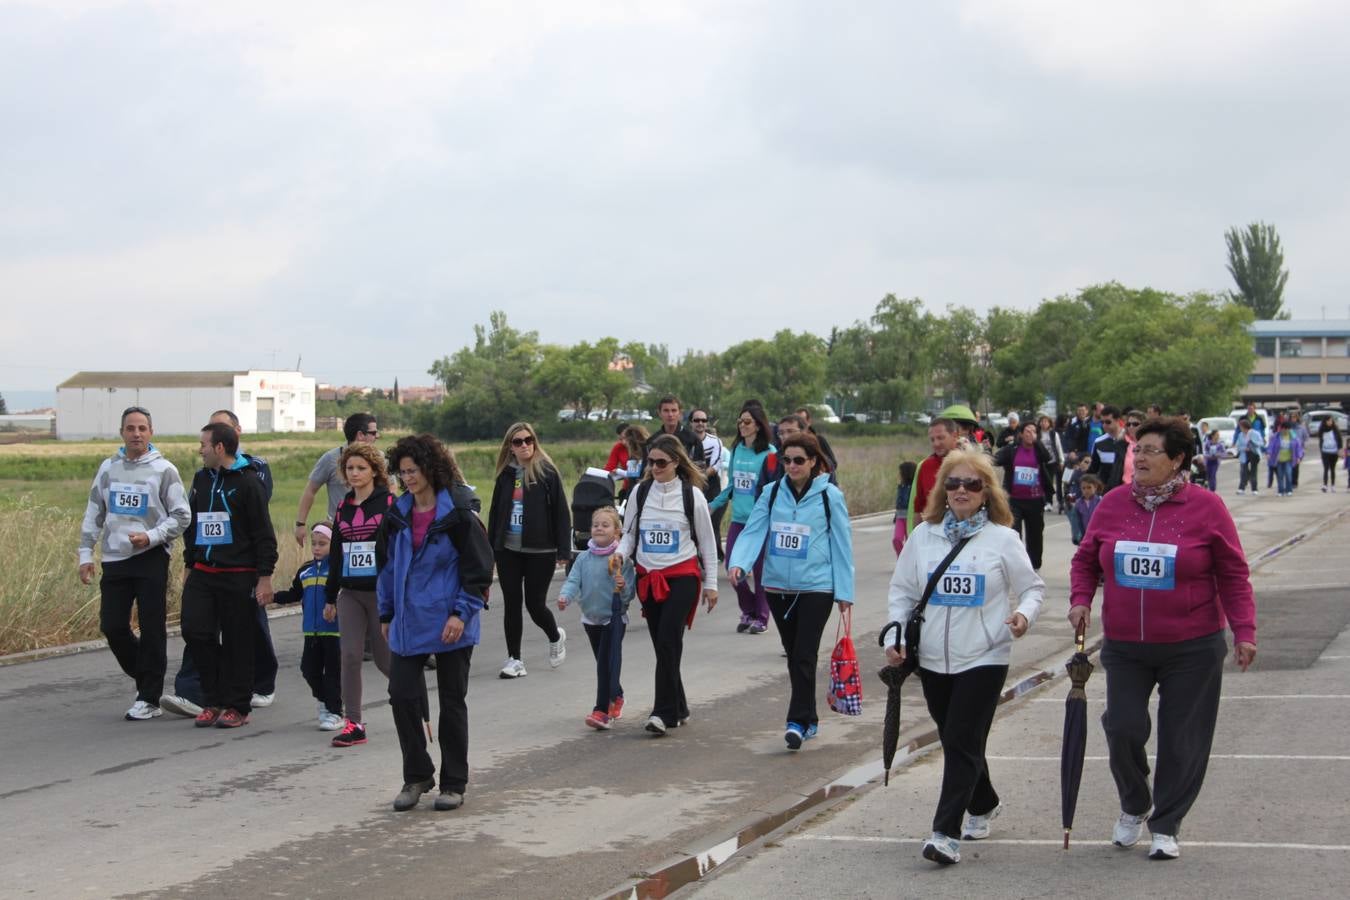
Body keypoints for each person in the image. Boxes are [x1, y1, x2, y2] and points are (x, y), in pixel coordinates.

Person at [1069, 417, 1257, 861]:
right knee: (1123, 727)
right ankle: (1135, 803)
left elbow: (1233, 574)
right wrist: (1081, 600)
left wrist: (1244, 631)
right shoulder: (1114, 503)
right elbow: (1085, 561)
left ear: (1177, 460)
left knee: (1182, 737)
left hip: (1192, 645)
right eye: (1139, 450)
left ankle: (1167, 823)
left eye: (1152, 450)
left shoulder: (1207, 507)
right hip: (1127, 645)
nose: (1141, 457)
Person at [885, 449, 1044, 866]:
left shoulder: (1003, 539)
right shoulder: (924, 536)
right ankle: (984, 800)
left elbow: (1033, 588)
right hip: (934, 658)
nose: (961, 491)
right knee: (962, 739)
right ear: (942, 490)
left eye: (971, 484)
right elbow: (902, 592)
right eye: (952, 483)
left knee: (959, 739)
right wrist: (896, 633)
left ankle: (944, 834)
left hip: (986, 655)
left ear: (986, 492)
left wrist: (1023, 616)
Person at [379, 434, 494, 812]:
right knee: (401, 695)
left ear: (431, 469)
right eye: (402, 472)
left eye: (413, 471)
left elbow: (478, 570)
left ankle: (454, 783)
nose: (407, 478)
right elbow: (388, 567)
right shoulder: (397, 514)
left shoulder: (459, 512)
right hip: (409, 619)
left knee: (451, 701)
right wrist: (386, 612)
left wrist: (461, 613)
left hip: (451, 621)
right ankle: (417, 775)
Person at [730, 432, 853, 750]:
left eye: (799, 460)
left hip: (817, 587)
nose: (792, 465)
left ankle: (796, 721)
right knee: (794, 655)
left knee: (803, 654)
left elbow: (842, 546)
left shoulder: (830, 497)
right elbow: (753, 531)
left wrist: (844, 592)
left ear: (814, 462)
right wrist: (740, 564)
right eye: (786, 460)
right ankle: (809, 717)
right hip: (777, 587)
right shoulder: (771, 494)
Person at [78, 406, 192, 720]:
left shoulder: (164, 469)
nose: (136, 434)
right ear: (122, 433)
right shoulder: (108, 468)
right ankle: (146, 678)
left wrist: (152, 536)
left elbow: (182, 516)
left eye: (142, 428)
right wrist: (85, 554)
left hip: (151, 557)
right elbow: (94, 512)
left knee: (152, 626)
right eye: (131, 428)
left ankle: (149, 698)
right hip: (115, 558)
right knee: (112, 626)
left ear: (151, 433)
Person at [618, 434, 719, 736]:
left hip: (683, 578)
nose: (655, 467)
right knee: (665, 647)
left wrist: (711, 584)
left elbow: (708, 544)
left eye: (661, 462)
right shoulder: (640, 492)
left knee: (666, 641)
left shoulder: (693, 496)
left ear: (676, 462)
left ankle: (662, 713)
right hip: (649, 579)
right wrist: (619, 554)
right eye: (651, 461)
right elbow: (629, 535)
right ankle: (680, 704)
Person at [180, 422, 278, 728]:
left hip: (239, 574)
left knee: (239, 640)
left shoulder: (249, 482)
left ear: (219, 447)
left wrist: (264, 576)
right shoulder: (201, 479)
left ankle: (237, 705)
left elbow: (263, 532)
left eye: (204, 444)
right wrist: (189, 563)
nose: (200, 450)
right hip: (203, 571)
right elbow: (193, 525)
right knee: (196, 631)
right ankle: (213, 697)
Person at [324, 442, 396, 747]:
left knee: (384, 660)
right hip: (350, 593)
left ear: (374, 471)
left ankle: (412, 697)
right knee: (350, 655)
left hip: (380, 593)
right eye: (350, 468)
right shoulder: (343, 507)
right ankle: (353, 723)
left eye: (361, 468)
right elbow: (337, 555)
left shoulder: (389, 503)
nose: (354, 474)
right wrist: (330, 596)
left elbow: (397, 551)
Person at [488, 422, 570, 678]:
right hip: (508, 549)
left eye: (528, 440)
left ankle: (555, 635)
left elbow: (560, 512)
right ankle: (515, 659)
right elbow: (495, 514)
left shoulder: (547, 472)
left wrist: (563, 550)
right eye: (518, 442)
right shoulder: (505, 474)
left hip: (540, 549)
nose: (524, 445)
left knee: (535, 605)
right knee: (511, 603)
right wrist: (491, 550)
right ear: (510, 447)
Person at [558, 506, 636, 730]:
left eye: (605, 525)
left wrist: (622, 587)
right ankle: (616, 694)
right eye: (595, 525)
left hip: (613, 619)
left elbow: (629, 594)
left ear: (617, 533)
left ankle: (601, 711)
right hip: (590, 619)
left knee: (604, 664)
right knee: (604, 663)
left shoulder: (622, 561)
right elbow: (574, 581)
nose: (599, 529)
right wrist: (566, 596)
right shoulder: (583, 558)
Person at [709, 403, 778, 634]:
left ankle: (762, 617)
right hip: (739, 520)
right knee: (732, 568)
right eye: (740, 421)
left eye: (747, 422)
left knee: (759, 573)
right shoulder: (738, 449)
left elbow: (774, 489)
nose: (742, 426)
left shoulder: (770, 454)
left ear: (758, 425)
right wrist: (713, 505)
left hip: (760, 523)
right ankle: (748, 610)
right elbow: (733, 487)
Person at [272, 523, 342, 730]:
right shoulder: (305, 571)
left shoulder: (339, 570)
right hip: (311, 632)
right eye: (314, 544)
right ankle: (325, 702)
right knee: (308, 670)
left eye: (323, 544)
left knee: (333, 674)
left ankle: (336, 712)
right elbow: (294, 594)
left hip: (334, 631)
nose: (317, 548)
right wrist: (272, 597)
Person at [293, 413, 379, 546]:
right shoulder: (331, 459)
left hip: (373, 530)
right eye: (373, 433)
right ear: (360, 435)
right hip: (338, 531)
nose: (377, 436)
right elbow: (310, 490)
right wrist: (300, 524)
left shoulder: (379, 459)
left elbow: (390, 488)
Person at [994, 421, 1055, 570]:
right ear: (1020, 434)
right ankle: (1015, 563)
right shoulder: (1012, 449)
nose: (1030, 434)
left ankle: (1034, 565)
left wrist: (1037, 442)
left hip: (1035, 499)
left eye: (1034, 431)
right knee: (1013, 533)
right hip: (1015, 499)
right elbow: (996, 459)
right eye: (1027, 431)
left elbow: (1047, 458)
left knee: (1035, 535)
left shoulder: (1038, 450)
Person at [908, 419, 959, 534]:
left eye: (941, 438)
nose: (936, 443)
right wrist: (915, 540)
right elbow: (919, 508)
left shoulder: (970, 464)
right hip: (934, 536)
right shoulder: (925, 466)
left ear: (954, 436)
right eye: (932, 439)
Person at [689, 410, 728, 560]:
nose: (700, 423)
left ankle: (714, 555)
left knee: (712, 522)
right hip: (690, 484)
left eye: (703, 420)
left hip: (710, 485)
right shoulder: (685, 440)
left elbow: (716, 464)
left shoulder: (715, 441)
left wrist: (700, 477)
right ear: (691, 422)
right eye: (697, 420)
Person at [646, 395, 704, 466]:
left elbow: (700, 470)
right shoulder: (652, 441)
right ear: (659, 413)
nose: (670, 414)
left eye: (674, 410)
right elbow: (647, 470)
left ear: (680, 413)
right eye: (666, 411)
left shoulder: (693, 440)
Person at [605, 423, 649, 503]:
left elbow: (633, 474)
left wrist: (618, 471)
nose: (624, 442)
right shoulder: (620, 448)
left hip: (643, 488)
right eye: (620, 439)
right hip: (630, 487)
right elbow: (609, 467)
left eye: (625, 439)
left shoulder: (641, 451)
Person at [1088, 405, 1129, 491]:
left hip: (1127, 488)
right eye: (1102, 422)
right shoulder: (1098, 442)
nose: (1104, 425)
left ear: (1117, 420)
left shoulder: (1129, 440)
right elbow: (1094, 468)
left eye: (1108, 422)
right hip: (1106, 491)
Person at [795, 406, 839, 473]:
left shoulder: (819, 440)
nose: (799, 424)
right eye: (796, 421)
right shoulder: (790, 442)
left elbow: (833, 464)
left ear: (809, 422)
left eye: (802, 420)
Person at [1267, 418, 1303, 497]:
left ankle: (1289, 490)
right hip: (1279, 459)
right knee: (1280, 475)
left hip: (1289, 459)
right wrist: (1269, 453)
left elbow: (1298, 448)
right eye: (1284, 429)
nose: (1286, 431)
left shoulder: (1294, 437)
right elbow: (1271, 446)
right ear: (1281, 428)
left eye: (1288, 429)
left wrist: (1298, 457)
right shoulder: (1276, 437)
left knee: (1288, 474)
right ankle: (1280, 491)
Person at [1036, 414, 1065, 512]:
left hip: (1053, 461)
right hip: (1042, 461)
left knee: (1051, 482)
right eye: (1042, 421)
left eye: (1046, 421)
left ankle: (1054, 502)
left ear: (1049, 423)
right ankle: (1047, 502)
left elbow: (1058, 447)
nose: (1044, 423)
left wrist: (1061, 460)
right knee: (1043, 482)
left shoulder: (1053, 434)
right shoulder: (1037, 434)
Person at [1231, 417, 1262, 496]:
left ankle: (1254, 489)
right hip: (1244, 455)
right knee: (1243, 472)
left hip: (1254, 455)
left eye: (1241, 426)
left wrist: (1252, 443)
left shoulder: (1255, 433)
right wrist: (1244, 448)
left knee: (1253, 472)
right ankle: (1241, 488)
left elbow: (1260, 443)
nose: (1240, 428)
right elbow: (1238, 445)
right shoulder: (1240, 435)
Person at [893, 461, 916, 556]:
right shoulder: (901, 486)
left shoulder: (914, 487)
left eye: (900, 472)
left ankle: (910, 562)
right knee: (897, 539)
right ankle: (902, 559)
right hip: (900, 516)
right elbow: (899, 502)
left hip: (910, 516)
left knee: (910, 542)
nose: (899, 474)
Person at [1073, 474, 1104, 542]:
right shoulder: (1078, 503)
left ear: (1095, 487)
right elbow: (1077, 522)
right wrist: (1076, 536)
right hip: (1085, 536)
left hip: (1099, 535)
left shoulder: (1101, 501)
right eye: (1083, 488)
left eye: (1089, 487)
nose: (1086, 490)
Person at [1317, 416, 1343, 492]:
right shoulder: (1322, 430)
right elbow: (1320, 440)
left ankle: (1333, 485)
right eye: (1328, 421)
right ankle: (1325, 485)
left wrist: (1340, 449)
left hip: (1334, 452)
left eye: (1331, 421)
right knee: (1326, 468)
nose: (1330, 422)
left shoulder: (1335, 430)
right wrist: (1321, 450)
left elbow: (1339, 440)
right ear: (1325, 421)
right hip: (1325, 451)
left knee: (1332, 469)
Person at [1201, 426, 1225, 491]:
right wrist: (1209, 456)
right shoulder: (1208, 443)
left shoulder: (1220, 444)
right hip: (1208, 461)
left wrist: (1218, 455)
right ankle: (1208, 488)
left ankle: (1212, 490)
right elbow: (1205, 452)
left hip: (1215, 462)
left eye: (1218, 435)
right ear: (1213, 435)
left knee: (1213, 475)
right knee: (1208, 476)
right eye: (1217, 435)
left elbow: (1224, 453)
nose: (1218, 436)